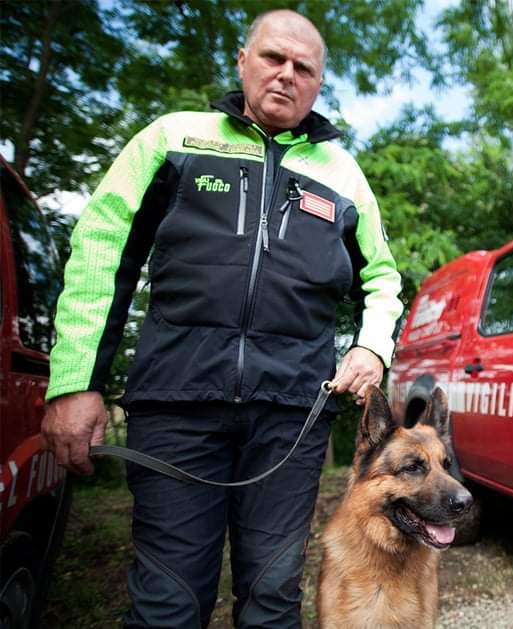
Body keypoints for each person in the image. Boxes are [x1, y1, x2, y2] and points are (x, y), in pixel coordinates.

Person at [40, 9, 402, 628]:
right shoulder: (172, 138)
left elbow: (383, 278)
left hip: (292, 415)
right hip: (176, 404)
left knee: (273, 596)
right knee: (168, 603)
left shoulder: (343, 174)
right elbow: (102, 250)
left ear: (318, 84)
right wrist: (77, 382)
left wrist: (371, 347)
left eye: (304, 68)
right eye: (273, 58)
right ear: (243, 61)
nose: (286, 75)